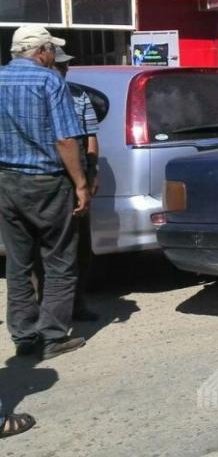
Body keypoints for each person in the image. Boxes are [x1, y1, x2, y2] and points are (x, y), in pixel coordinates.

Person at [0, 25, 89, 361]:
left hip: (7, 182)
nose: (54, 55)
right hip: (47, 182)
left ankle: (24, 336)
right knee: (60, 261)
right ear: (40, 51)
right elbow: (66, 139)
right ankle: (51, 336)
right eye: (52, 48)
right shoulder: (50, 80)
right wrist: (80, 183)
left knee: (18, 263)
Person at [51, 48, 100, 322]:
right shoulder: (40, 95)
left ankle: (77, 303)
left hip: (77, 175)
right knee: (50, 247)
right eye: (59, 66)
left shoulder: (79, 96)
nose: (64, 70)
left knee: (81, 246)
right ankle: (46, 308)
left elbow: (91, 136)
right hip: (50, 177)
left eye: (66, 66)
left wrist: (92, 171)